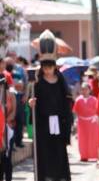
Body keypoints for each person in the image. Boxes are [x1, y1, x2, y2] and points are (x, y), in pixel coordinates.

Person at [28, 30, 72, 181]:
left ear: (54, 66)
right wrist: (31, 104)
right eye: (45, 67)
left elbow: (67, 103)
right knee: (44, 153)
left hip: (59, 123)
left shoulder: (60, 82)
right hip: (43, 125)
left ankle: (60, 177)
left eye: (50, 67)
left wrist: (67, 122)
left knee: (59, 152)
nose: (47, 70)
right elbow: (31, 100)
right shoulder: (37, 82)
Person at [73, 82, 99, 161]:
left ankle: (94, 155)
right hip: (81, 121)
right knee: (82, 139)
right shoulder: (78, 100)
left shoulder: (94, 99)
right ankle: (83, 156)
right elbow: (75, 111)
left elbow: (98, 110)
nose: (84, 91)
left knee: (93, 139)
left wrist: (96, 118)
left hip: (92, 121)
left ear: (89, 90)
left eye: (86, 89)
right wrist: (75, 120)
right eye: (83, 89)